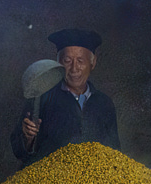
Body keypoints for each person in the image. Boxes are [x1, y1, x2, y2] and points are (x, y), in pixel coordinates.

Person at [10, 28, 121, 167]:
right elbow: (19, 152)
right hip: (47, 181)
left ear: (93, 63)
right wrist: (28, 138)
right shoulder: (41, 96)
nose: (74, 68)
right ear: (58, 63)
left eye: (81, 61)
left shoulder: (104, 103)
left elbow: (115, 152)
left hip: (92, 183)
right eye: (67, 60)